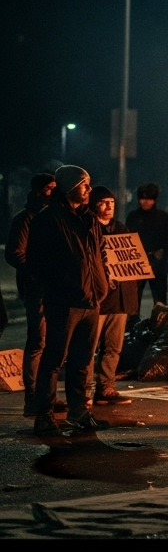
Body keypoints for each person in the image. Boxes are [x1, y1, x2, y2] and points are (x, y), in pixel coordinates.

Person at [27, 165, 110, 436]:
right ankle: (45, 415)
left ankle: (78, 412)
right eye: (84, 185)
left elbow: (100, 254)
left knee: (83, 360)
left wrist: (102, 284)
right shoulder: (47, 219)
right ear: (70, 187)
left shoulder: (90, 219)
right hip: (64, 301)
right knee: (54, 359)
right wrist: (59, 287)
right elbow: (37, 263)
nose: (88, 189)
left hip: (91, 300)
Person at [5, 172, 57, 416]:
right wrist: (39, 272)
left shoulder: (54, 216)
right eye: (49, 188)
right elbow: (15, 253)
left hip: (56, 289)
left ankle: (47, 396)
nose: (53, 192)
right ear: (38, 191)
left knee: (54, 343)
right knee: (38, 341)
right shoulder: (26, 218)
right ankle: (32, 398)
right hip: (36, 288)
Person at [88, 186, 138, 406]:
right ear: (93, 204)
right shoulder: (88, 228)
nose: (108, 207)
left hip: (119, 299)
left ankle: (106, 388)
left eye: (112, 202)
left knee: (113, 347)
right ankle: (84, 392)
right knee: (89, 347)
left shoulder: (121, 228)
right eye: (103, 202)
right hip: (97, 299)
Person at [126, 182, 168, 309]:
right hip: (137, 263)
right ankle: (132, 325)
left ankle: (159, 324)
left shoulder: (165, 218)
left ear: (154, 200)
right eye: (143, 198)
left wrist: (163, 253)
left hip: (158, 264)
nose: (146, 202)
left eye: (149, 199)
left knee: (159, 301)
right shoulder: (132, 217)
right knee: (133, 300)